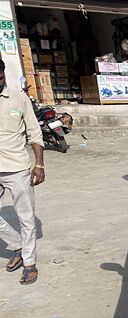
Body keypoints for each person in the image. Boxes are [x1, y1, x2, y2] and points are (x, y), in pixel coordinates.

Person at [0, 60, 45, 285]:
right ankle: (17, 244)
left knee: (26, 218)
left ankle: (29, 263)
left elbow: (34, 133)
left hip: (17, 168)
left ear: (4, 75)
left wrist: (39, 164)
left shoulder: (19, 99)